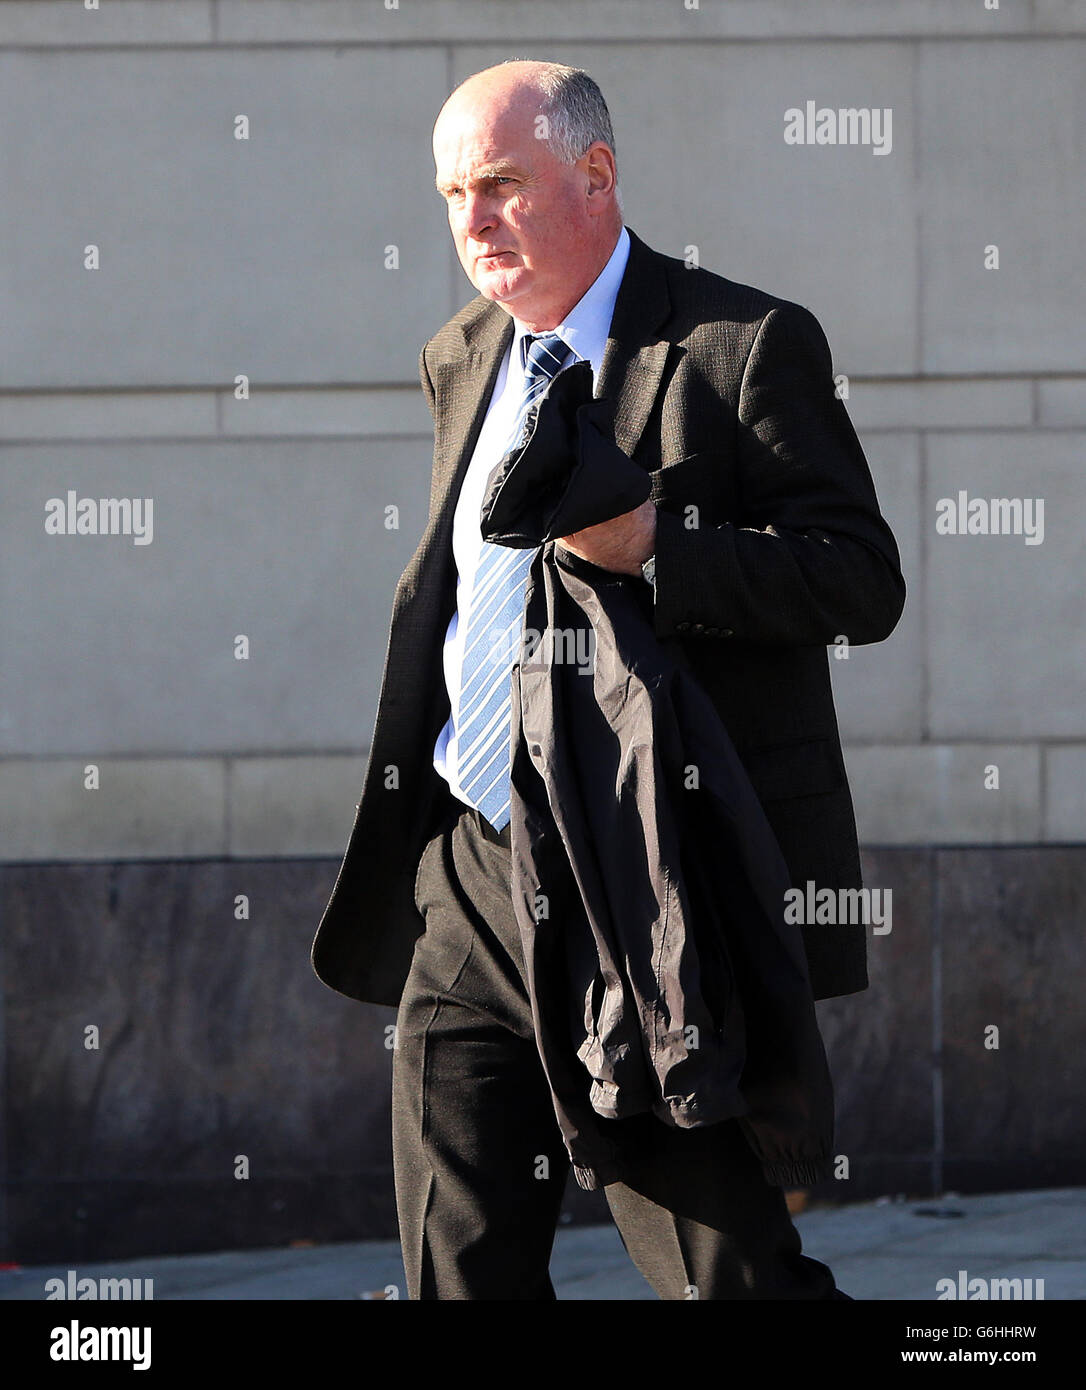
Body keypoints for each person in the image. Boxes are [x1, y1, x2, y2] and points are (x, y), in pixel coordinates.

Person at [311, 58, 906, 1300]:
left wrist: (658, 550)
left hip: (638, 880)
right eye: (450, 195)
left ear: (598, 175)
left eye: (499, 185)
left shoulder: (741, 346)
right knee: (457, 1277)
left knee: (722, 1275)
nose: (470, 223)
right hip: (468, 865)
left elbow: (859, 578)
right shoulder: (462, 354)